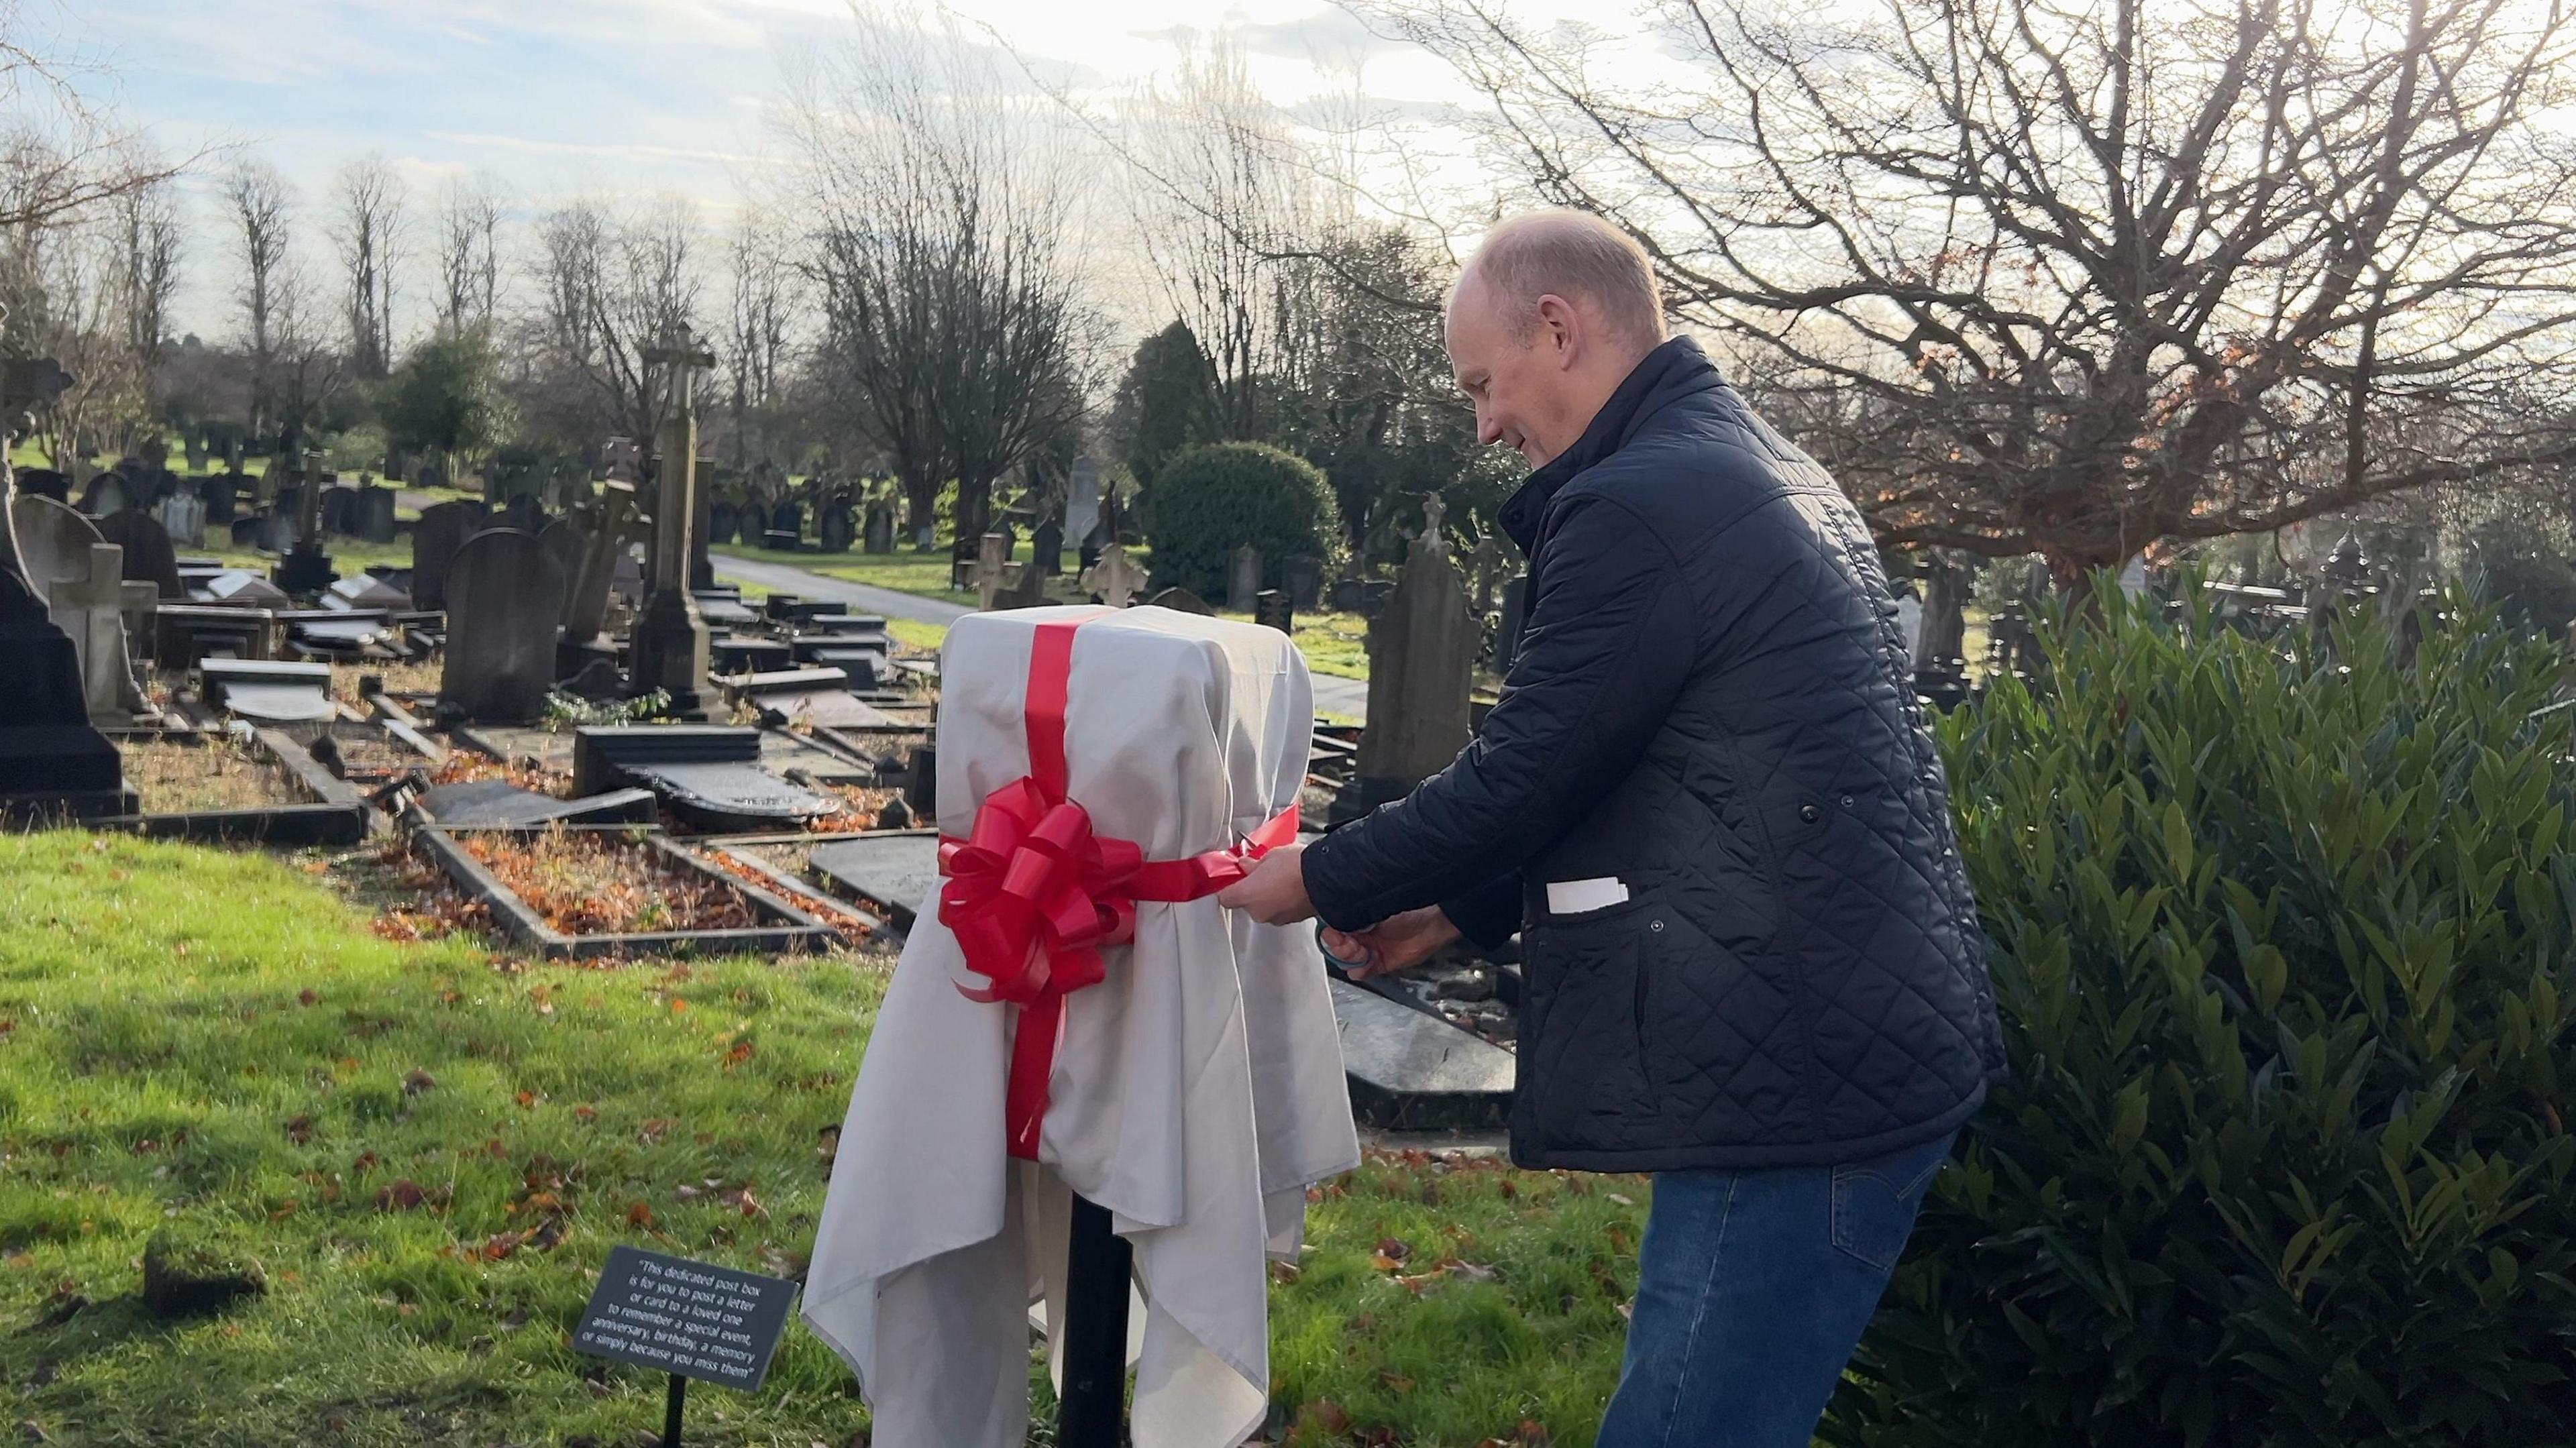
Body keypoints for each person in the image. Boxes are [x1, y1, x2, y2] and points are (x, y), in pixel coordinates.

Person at [1217, 210, 2006, 1447]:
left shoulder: (1643, 501)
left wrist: (1314, 876)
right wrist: (1460, 909)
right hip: (1834, 1032)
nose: (1481, 423)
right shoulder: (1749, 461)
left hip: (1798, 1073)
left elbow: (1527, 771)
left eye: (1484, 383)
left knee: (1689, 1426)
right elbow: (1653, 767)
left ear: (1561, 327)